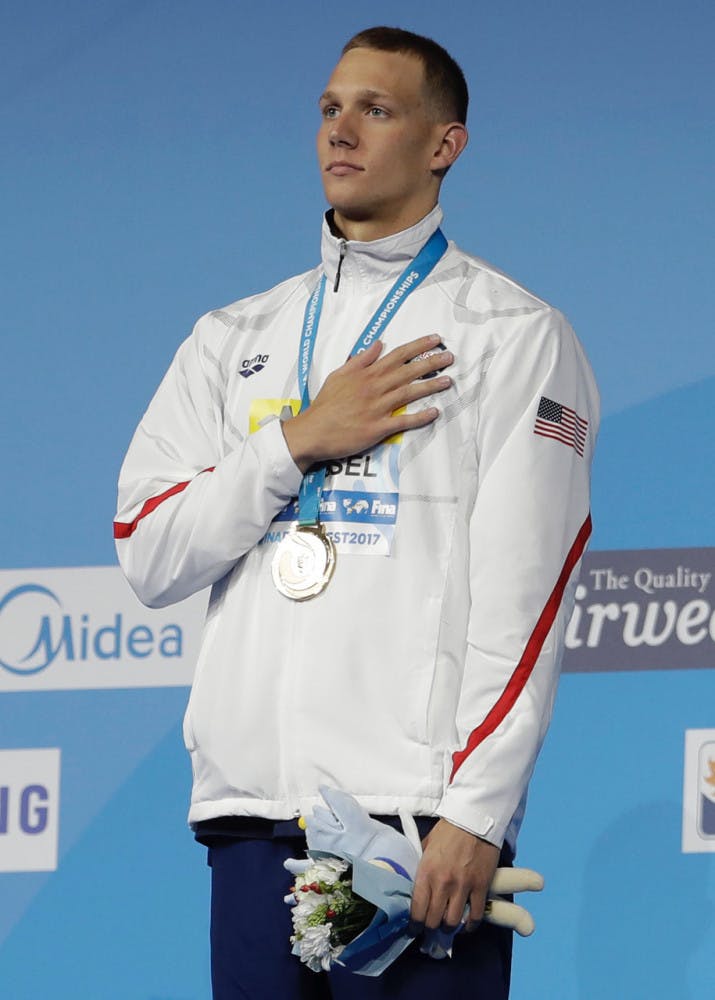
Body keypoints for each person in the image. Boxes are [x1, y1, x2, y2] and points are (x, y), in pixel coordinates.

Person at [114, 25, 599, 1000]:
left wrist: (476, 810)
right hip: (253, 821)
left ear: (441, 146)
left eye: (376, 109)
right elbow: (149, 551)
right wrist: (295, 441)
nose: (341, 130)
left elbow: (525, 596)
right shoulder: (231, 338)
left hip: (413, 826)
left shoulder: (511, 334)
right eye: (330, 108)